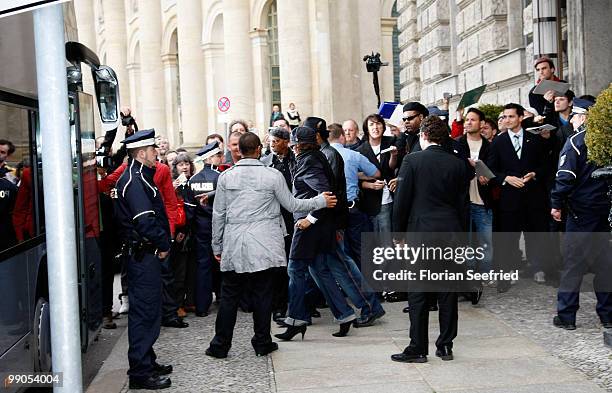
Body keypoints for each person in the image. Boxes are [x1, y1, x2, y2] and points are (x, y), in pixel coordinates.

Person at [205, 132, 337, 358]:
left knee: (229, 296)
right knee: (263, 294)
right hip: (264, 244)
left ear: (240, 151)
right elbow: (292, 204)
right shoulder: (272, 175)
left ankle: (220, 345)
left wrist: (217, 246)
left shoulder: (226, 178)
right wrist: (320, 201)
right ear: (258, 150)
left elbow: (218, 216)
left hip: (235, 243)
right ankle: (262, 342)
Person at [391, 116, 471, 363]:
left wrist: (398, 234)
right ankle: (445, 346)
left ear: (423, 136)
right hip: (451, 233)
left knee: (418, 292)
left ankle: (418, 347)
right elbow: (463, 205)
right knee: (447, 291)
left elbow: (401, 201)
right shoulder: (459, 165)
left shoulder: (412, 160)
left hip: (421, 234)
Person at [276, 126, 357, 340]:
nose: (292, 147)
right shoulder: (313, 157)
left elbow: (325, 194)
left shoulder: (310, 160)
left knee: (295, 269)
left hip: (310, 227)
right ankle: (345, 314)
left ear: (302, 144)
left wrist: (308, 220)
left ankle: (295, 320)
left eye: (294, 143)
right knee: (320, 270)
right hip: (320, 226)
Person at [115, 129, 173, 390]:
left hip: (143, 254)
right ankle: (140, 372)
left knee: (149, 311)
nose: (156, 153)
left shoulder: (140, 177)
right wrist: (162, 244)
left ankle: (146, 361)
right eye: (152, 150)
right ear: (140, 153)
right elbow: (145, 222)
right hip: (143, 255)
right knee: (144, 314)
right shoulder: (135, 181)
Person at [550, 99, 612, 330]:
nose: (573, 121)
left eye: (575, 116)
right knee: (605, 264)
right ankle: (607, 315)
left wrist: (556, 203)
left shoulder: (576, 141)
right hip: (604, 211)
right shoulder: (607, 141)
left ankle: (566, 316)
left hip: (581, 212)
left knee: (573, 263)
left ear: (583, 116)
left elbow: (565, 177)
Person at [486, 103, 552, 291]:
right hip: (509, 199)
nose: (506, 120)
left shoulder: (535, 139)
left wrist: (534, 174)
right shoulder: (498, 142)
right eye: (504, 117)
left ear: (521, 118)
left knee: (535, 235)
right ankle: (507, 275)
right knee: (509, 239)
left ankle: (538, 268)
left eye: (511, 117)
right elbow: (491, 170)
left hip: (533, 197)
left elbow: (545, 166)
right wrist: (506, 178)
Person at [260, 127, 296, 322]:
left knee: (296, 262)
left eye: (276, 141)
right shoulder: (264, 164)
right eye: (270, 141)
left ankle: (299, 304)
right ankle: (279, 306)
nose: (272, 144)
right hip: (274, 219)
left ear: (286, 142)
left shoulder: (296, 160)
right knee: (278, 265)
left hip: (294, 216)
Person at [184, 141, 224, 317]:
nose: (221, 158)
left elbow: (189, 211)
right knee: (224, 265)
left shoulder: (193, 180)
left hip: (201, 229)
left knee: (203, 267)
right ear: (210, 158)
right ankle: (225, 300)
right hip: (220, 228)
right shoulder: (221, 177)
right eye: (218, 155)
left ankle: (201, 306)